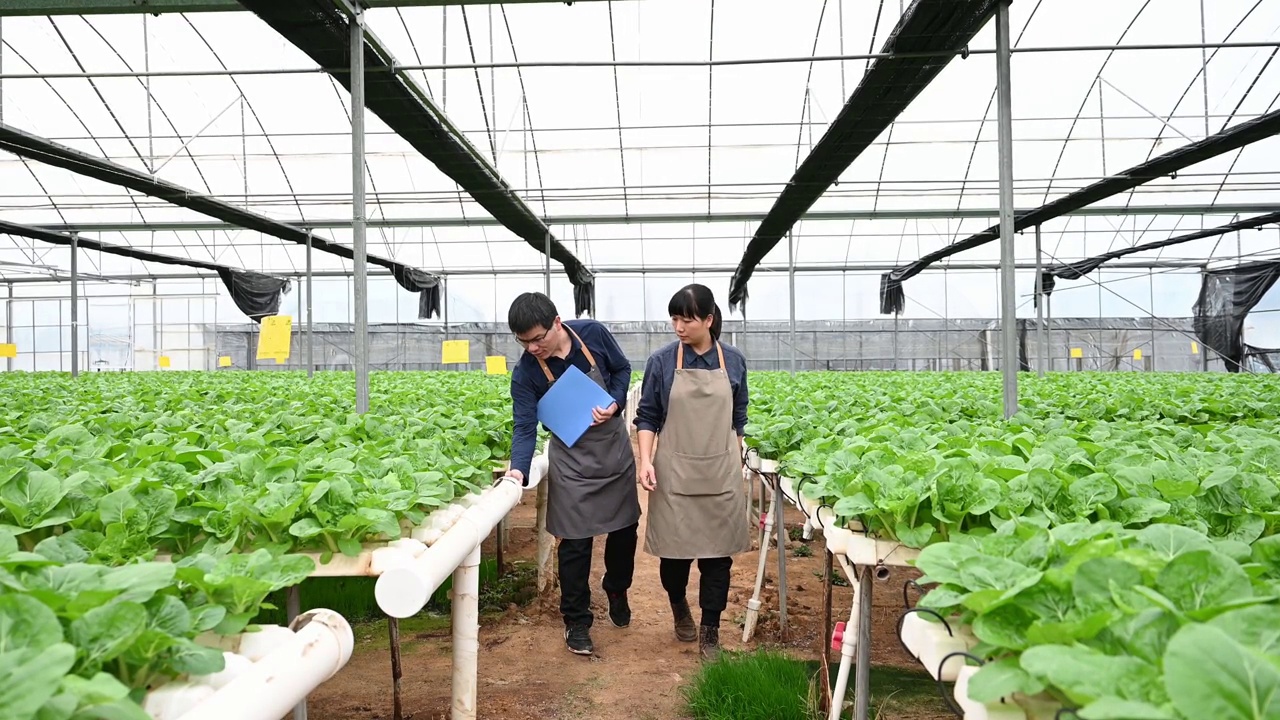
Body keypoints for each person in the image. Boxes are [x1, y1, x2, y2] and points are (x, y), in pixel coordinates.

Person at [506, 292, 641, 656]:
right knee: (575, 542)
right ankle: (576, 621)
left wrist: (614, 402)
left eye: (539, 338)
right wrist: (518, 471)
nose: (533, 347)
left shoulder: (593, 334)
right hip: (571, 460)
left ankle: (616, 586)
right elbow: (524, 428)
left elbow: (623, 369)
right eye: (524, 341)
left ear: (557, 322)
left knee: (625, 529)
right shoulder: (526, 373)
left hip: (612, 450)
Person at [634, 283, 750, 661]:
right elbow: (648, 416)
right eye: (675, 318)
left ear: (709, 320)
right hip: (675, 473)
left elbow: (738, 420)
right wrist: (646, 460)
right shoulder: (663, 361)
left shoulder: (733, 360)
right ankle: (679, 604)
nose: (679, 326)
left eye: (687, 319)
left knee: (718, 559)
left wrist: (737, 465)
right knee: (675, 557)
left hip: (719, 473)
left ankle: (711, 631)